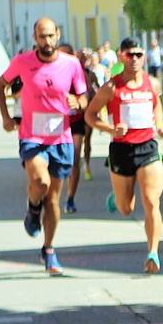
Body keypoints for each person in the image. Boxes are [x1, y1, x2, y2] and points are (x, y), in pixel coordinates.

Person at [0, 17, 88, 276]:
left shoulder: (71, 64)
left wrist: (78, 103)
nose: (46, 41)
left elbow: (83, 97)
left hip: (61, 137)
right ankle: (33, 209)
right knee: (41, 182)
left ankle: (49, 249)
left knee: (55, 199)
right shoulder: (23, 62)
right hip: (32, 136)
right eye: (41, 36)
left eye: (50, 36)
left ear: (57, 35)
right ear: (34, 38)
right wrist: (5, 117)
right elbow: (1, 85)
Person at [85, 37, 163, 274]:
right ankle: (117, 197)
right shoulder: (111, 87)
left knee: (152, 200)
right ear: (120, 56)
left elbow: (157, 105)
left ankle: (153, 252)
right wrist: (111, 129)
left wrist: (161, 125)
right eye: (129, 54)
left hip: (148, 147)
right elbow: (90, 116)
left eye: (138, 55)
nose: (134, 59)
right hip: (121, 150)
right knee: (126, 208)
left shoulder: (151, 83)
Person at [57, 43, 96, 214]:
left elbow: (86, 94)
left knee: (75, 156)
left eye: (67, 55)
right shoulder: (49, 71)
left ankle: (70, 197)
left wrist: (80, 102)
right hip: (54, 122)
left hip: (77, 119)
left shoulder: (78, 72)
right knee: (55, 161)